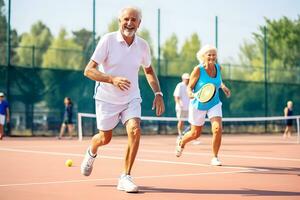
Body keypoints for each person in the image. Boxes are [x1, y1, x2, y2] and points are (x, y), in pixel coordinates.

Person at [80, 6, 165, 193]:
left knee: (135, 129)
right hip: (106, 98)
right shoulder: (108, 40)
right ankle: (91, 151)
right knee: (104, 138)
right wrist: (112, 79)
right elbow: (88, 70)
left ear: (139, 23)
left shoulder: (143, 45)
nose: (129, 23)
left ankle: (125, 176)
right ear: (120, 21)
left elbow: (149, 70)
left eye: (134, 20)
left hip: (131, 97)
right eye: (126, 19)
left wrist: (158, 94)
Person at [175, 45, 231, 166]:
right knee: (195, 134)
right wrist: (190, 93)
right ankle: (182, 142)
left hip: (214, 103)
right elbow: (189, 87)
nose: (212, 57)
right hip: (198, 104)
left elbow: (218, 81)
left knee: (217, 129)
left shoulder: (218, 67)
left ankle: (215, 157)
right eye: (209, 54)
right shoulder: (198, 70)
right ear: (203, 56)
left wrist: (223, 87)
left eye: (214, 54)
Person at [173, 73, 190, 137]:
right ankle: (180, 134)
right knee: (181, 121)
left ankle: (186, 133)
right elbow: (176, 96)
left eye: (188, 79)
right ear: (183, 79)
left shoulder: (190, 86)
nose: (188, 80)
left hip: (189, 108)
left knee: (193, 123)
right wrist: (179, 104)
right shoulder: (180, 85)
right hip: (181, 108)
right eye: (186, 79)